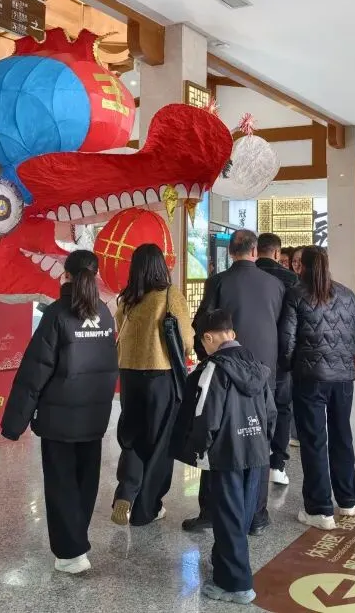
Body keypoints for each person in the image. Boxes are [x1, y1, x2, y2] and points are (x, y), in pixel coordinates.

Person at [1, 250, 119, 574]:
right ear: (96, 276)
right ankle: (77, 542)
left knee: (61, 483)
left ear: (65, 275)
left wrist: (14, 423)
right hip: (93, 418)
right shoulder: (104, 315)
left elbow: (35, 371)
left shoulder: (57, 314)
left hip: (59, 419)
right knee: (85, 482)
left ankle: (70, 553)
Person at [184, 229, 286, 535]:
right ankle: (257, 515)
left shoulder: (218, 282)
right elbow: (283, 328)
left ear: (230, 252)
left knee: (216, 436)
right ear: (255, 251)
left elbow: (203, 322)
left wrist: (205, 357)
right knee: (260, 439)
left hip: (225, 370)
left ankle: (210, 512)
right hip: (264, 370)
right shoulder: (276, 284)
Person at [172, 309, 275, 605]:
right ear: (232, 333)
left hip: (227, 452)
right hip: (256, 451)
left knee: (227, 516)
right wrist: (265, 444)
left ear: (208, 338)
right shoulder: (256, 363)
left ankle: (236, 585)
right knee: (241, 514)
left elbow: (206, 416)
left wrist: (198, 450)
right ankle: (223, 562)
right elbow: (271, 412)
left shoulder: (214, 369)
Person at [280, 246, 355, 530]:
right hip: (343, 380)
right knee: (342, 435)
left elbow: (287, 342)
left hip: (309, 379)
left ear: (301, 266)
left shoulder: (295, 295)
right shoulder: (347, 294)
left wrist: (291, 366)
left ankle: (319, 509)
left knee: (314, 440)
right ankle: (348, 499)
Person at [110, 244, 194, 526]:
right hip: (160, 377)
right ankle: (148, 509)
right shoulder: (169, 295)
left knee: (132, 437)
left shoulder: (127, 299)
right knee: (160, 444)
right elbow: (187, 340)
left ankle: (126, 492)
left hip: (129, 375)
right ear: (160, 266)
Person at [255, 232, 299, 486]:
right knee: (282, 408)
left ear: (255, 251)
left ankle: (255, 459)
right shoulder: (291, 280)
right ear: (276, 252)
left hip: (249, 356)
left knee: (253, 407)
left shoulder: (242, 277)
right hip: (282, 357)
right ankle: (277, 463)